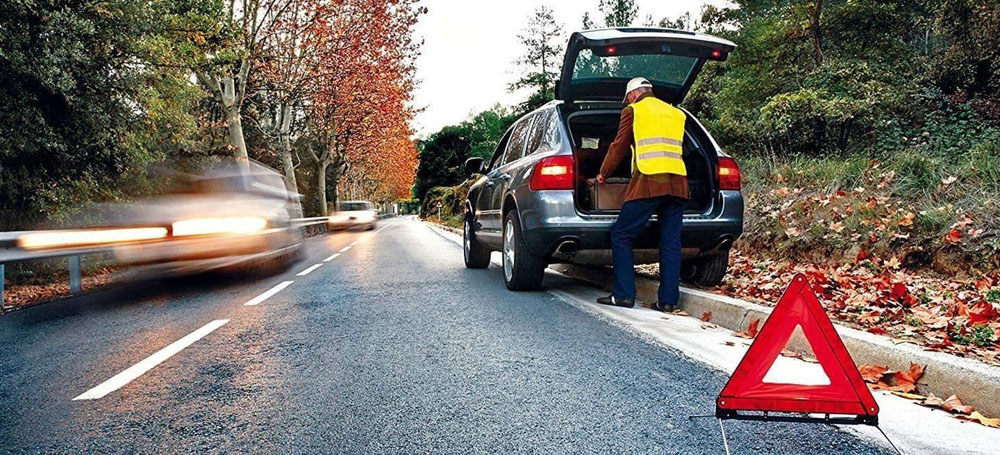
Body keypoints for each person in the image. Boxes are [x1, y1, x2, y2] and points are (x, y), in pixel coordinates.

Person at [595, 77, 689, 312]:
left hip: (649, 181)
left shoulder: (633, 111)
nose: (627, 101)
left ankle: (624, 295)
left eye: (627, 97)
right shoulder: (676, 113)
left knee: (622, 234)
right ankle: (668, 301)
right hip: (677, 183)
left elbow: (619, 146)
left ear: (633, 94)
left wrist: (603, 174)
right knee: (670, 242)